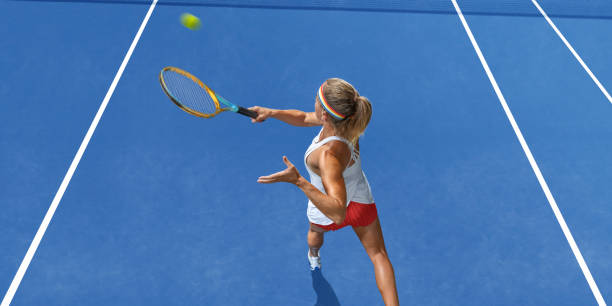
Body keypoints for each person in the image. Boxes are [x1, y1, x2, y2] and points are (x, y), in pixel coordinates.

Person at [251, 78, 399, 305]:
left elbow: (338, 213)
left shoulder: (327, 155)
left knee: (315, 235)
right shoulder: (351, 126)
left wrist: (299, 181)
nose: (314, 104)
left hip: (327, 210)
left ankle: (314, 255)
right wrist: (271, 112)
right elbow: (303, 117)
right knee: (379, 256)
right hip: (361, 203)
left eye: (317, 100)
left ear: (326, 115)